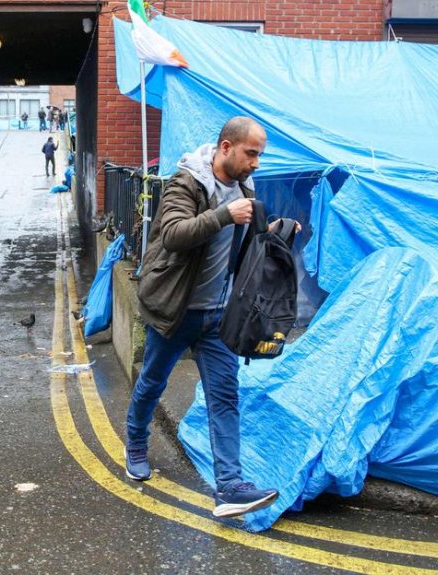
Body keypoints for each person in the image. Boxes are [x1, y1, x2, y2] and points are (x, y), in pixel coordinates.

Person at [124, 116, 299, 519]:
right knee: (152, 381)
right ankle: (135, 441)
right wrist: (224, 214)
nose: (256, 163)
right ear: (225, 147)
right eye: (251, 153)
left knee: (224, 397)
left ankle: (230, 488)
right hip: (176, 310)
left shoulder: (244, 187)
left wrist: (274, 231)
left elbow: (244, 242)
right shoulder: (186, 183)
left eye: (260, 155)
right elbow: (171, 234)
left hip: (219, 316)